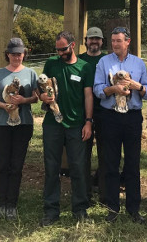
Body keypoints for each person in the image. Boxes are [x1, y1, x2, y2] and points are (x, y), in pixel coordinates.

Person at [94, 26, 147, 224]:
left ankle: (133, 209)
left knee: (132, 164)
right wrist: (113, 88)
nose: (115, 44)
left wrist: (138, 87)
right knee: (110, 163)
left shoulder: (138, 63)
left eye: (119, 41)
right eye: (113, 41)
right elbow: (97, 89)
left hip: (132, 117)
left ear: (128, 42)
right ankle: (112, 207)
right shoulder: (104, 62)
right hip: (110, 117)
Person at [38, 30, 93, 226]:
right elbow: (40, 88)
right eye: (57, 49)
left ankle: (80, 209)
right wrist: (42, 97)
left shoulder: (84, 67)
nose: (60, 53)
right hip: (53, 124)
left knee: (78, 167)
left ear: (73, 45)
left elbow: (88, 96)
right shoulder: (51, 64)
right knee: (51, 167)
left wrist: (88, 121)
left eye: (63, 49)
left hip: (76, 125)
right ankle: (51, 209)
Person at [0, 37, 38, 221]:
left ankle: (12, 204)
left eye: (20, 54)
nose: (17, 57)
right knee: (2, 165)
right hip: (2, 124)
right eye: (13, 54)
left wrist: (24, 101)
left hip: (23, 123)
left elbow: (35, 97)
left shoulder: (31, 73)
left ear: (24, 54)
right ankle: (1, 202)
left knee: (16, 166)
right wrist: (2, 105)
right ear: (7, 54)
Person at [78, 26, 106, 204]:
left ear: (102, 42)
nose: (94, 42)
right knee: (83, 153)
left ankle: (104, 191)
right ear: (86, 41)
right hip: (83, 113)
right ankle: (85, 191)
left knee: (105, 153)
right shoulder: (79, 60)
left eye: (97, 39)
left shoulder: (107, 60)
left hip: (105, 111)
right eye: (91, 39)